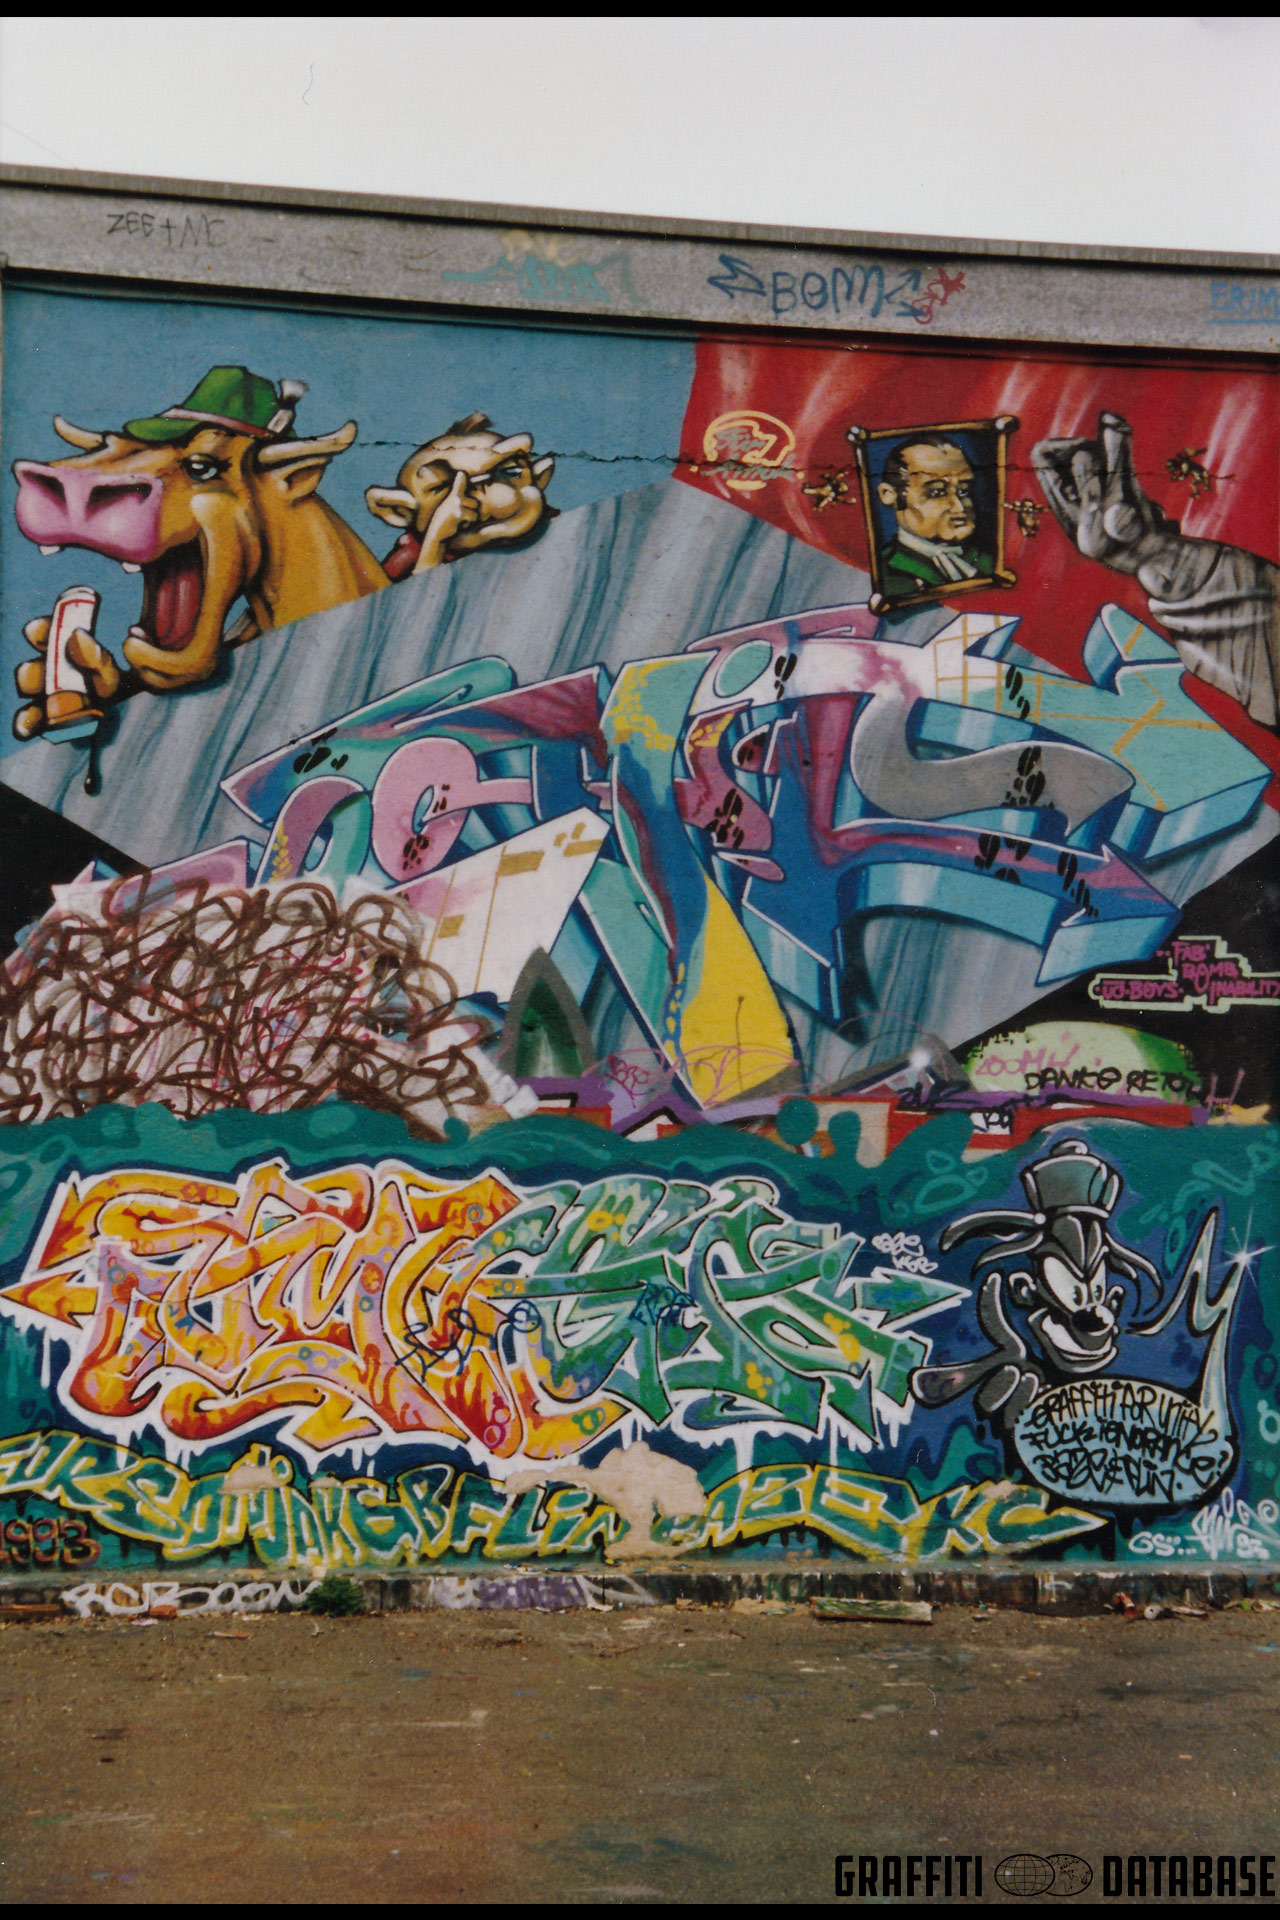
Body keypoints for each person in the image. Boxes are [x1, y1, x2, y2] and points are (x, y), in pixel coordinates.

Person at [875, 434, 993, 597]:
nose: (959, 507)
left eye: (963, 491)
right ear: (889, 494)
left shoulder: (988, 559)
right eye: (937, 492)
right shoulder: (883, 572)